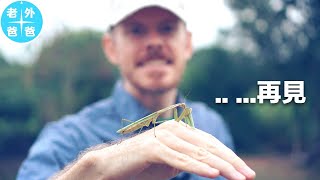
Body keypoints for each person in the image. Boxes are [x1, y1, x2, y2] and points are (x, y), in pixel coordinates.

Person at [17, 0, 256, 180]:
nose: (154, 42)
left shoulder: (213, 124)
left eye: (167, 29)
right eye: (136, 31)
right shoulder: (66, 137)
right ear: (111, 48)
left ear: (188, 44)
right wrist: (89, 172)